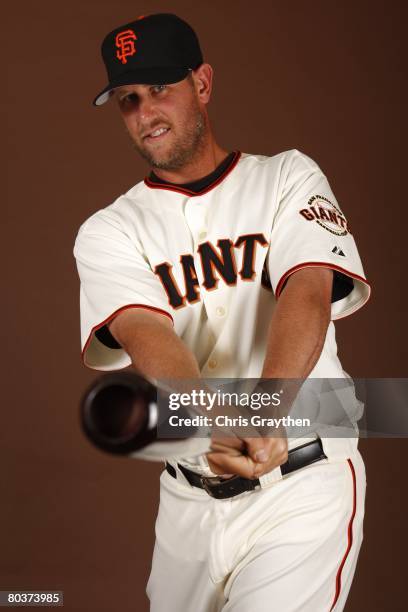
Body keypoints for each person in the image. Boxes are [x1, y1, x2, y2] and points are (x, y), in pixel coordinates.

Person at [73, 13, 371, 612]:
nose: (145, 113)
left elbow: (306, 294)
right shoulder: (107, 231)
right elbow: (146, 335)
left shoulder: (288, 176)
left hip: (302, 483)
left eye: (160, 88)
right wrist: (214, 422)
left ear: (202, 84)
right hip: (186, 503)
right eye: (128, 99)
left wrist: (262, 411)